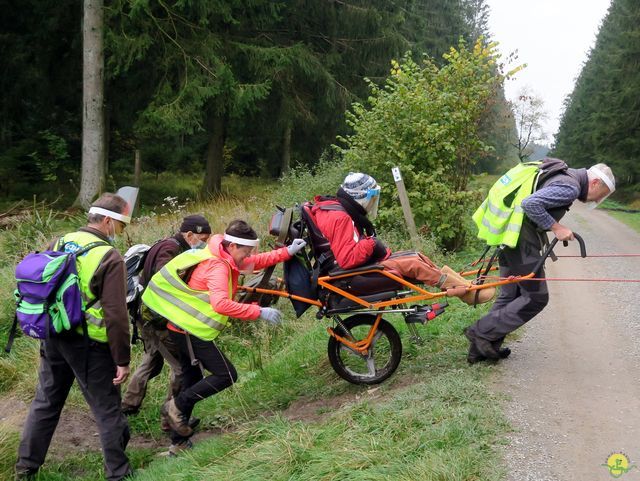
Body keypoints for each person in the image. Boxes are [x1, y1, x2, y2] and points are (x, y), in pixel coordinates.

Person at [141, 219, 306, 454]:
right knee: (227, 374)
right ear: (232, 246)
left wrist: (286, 252)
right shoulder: (218, 267)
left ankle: (177, 440)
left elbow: (254, 261)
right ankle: (176, 406)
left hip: (184, 328)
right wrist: (258, 312)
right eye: (245, 250)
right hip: (190, 331)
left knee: (192, 379)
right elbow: (221, 305)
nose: (248, 255)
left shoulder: (224, 256)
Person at [16, 193, 133, 481]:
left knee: (46, 403)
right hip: (89, 345)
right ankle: (118, 474)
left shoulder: (59, 241)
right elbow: (116, 315)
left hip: (54, 336)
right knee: (106, 408)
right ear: (107, 221)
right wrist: (122, 359)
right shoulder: (109, 256)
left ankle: (25, 469)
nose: (122, 232)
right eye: (122, 225)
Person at [464, 159, 615, 363]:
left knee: (511, 293)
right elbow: (531, 204)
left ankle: (482, 349)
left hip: (509, 235)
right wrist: (557, 228)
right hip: (520, 239)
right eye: (601, 196)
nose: (594, 202)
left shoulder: (562, 175)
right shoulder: (570, 186)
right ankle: (480, 332)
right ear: (596, 182)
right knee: (536, 297)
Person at [310, 172, 496, 305]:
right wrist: (372, 243)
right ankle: (466, 292)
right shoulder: (340, 217)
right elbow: (347, 259)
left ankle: (461, 285)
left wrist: (370, 245)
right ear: (361, 198)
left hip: (352, 267)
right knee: (414, 265)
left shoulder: (334, 209)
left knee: (416, 256)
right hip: (351, 274)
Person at [121, 215, 212, 429]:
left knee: (151, 359)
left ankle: (128, 404)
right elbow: (166, 280)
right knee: (180, 366)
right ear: (189, 235)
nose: (204, 243)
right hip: (157, 318)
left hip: (145, 316)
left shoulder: (168, 244)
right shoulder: (170, 250)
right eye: (202, 238)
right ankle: (171, 416)